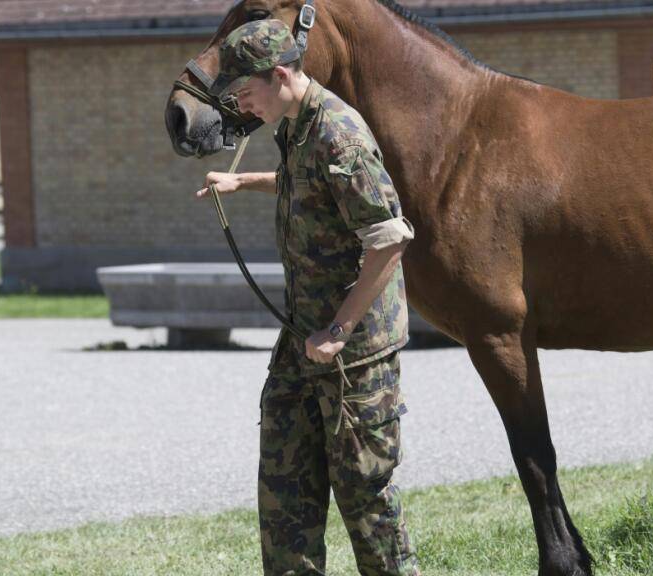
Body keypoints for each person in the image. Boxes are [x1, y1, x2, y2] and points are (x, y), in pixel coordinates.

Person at [196, 19, 419, 576]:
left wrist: (339, 331)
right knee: (284, 490)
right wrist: (243, 182)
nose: (240, 102)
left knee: (366, 500)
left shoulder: (340, 131)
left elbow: (389, 241)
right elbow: (311, 180)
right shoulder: (295, 125)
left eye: (245, 89)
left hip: (352, 349)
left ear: (279, 74)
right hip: (303, 336)